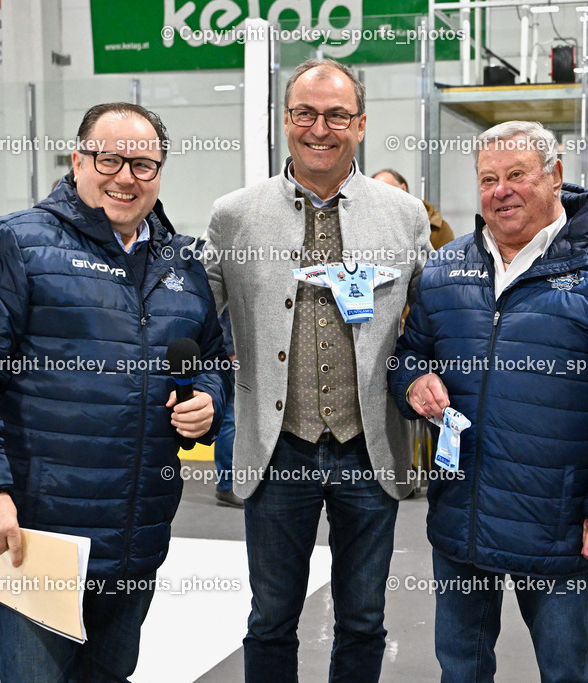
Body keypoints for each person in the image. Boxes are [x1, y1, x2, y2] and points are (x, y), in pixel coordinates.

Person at [0, 102, 231, 681]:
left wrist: (209, 400)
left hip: (136, 534)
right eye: (109, 158)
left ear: (160, 171)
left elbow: (213, 355)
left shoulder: (183, 261)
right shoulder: (14, 244)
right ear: (78, 159)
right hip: (36, 533)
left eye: (143, 164)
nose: (125, 176)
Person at [389, 120, 588, 682]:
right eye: (488, 179)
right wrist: (413, 383)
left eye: (516, 175)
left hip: (557, 522)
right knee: (460, 666)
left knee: (564, 669)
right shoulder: (446, 270)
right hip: (462, 516)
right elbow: (406, 355)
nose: (500, 190)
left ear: (555, 176)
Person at [201, 58, 431, 682]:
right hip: (276, 452)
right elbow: (191, 320)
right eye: (305, 113)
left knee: (363, 619)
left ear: (360, 124)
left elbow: (434, 324)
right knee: (271, 618)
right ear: (285, 121)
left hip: (371, 450)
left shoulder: (404, 215)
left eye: (335, 115)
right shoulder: (234, 215)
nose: (319, 128)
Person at [373, 168, 456, 249]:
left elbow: (449, 260)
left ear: (403, 189)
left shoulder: (435, 228)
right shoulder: (368, 225)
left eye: (386, 190)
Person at [214, 309, 242, 507]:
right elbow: (222, 310)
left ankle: (229, 484)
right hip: (231, 356)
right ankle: (227, 484)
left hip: (234, 354)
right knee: (230, 420)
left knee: (231, 420)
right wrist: (229, 350)